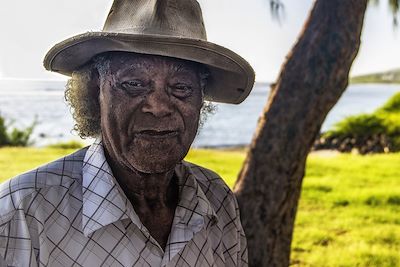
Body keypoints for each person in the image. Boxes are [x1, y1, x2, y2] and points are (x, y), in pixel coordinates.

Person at [0, 0, 255, 266]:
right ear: (95, 92)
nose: (158, 107)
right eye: (134, 84)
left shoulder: (216, 197)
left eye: (180, 87)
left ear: (200, 99)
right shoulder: (23, 211)